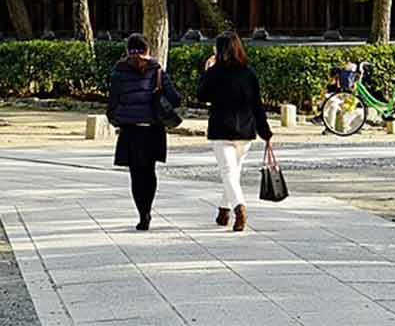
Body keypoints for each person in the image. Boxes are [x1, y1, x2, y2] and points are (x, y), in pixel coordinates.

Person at [196, 30, 272, 232]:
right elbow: (257, 105)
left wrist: (207, 71)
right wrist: (265, 130)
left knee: (228, 172)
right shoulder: (249, 73)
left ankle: (239, 209)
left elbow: (201, 96)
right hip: (245, 129)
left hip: (222, 128)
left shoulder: (214, 73)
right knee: (233, 173)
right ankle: (223, 210)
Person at [106, 32, 181, 231]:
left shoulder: (119, 71)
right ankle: (147, 208)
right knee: (149, 172)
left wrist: (116, 120)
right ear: (148, 50)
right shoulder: (156, 70)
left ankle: (142, 213)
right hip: (153, 129)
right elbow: (176, 99)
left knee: (136, 175)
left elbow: (112, 102)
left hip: (130, 130)